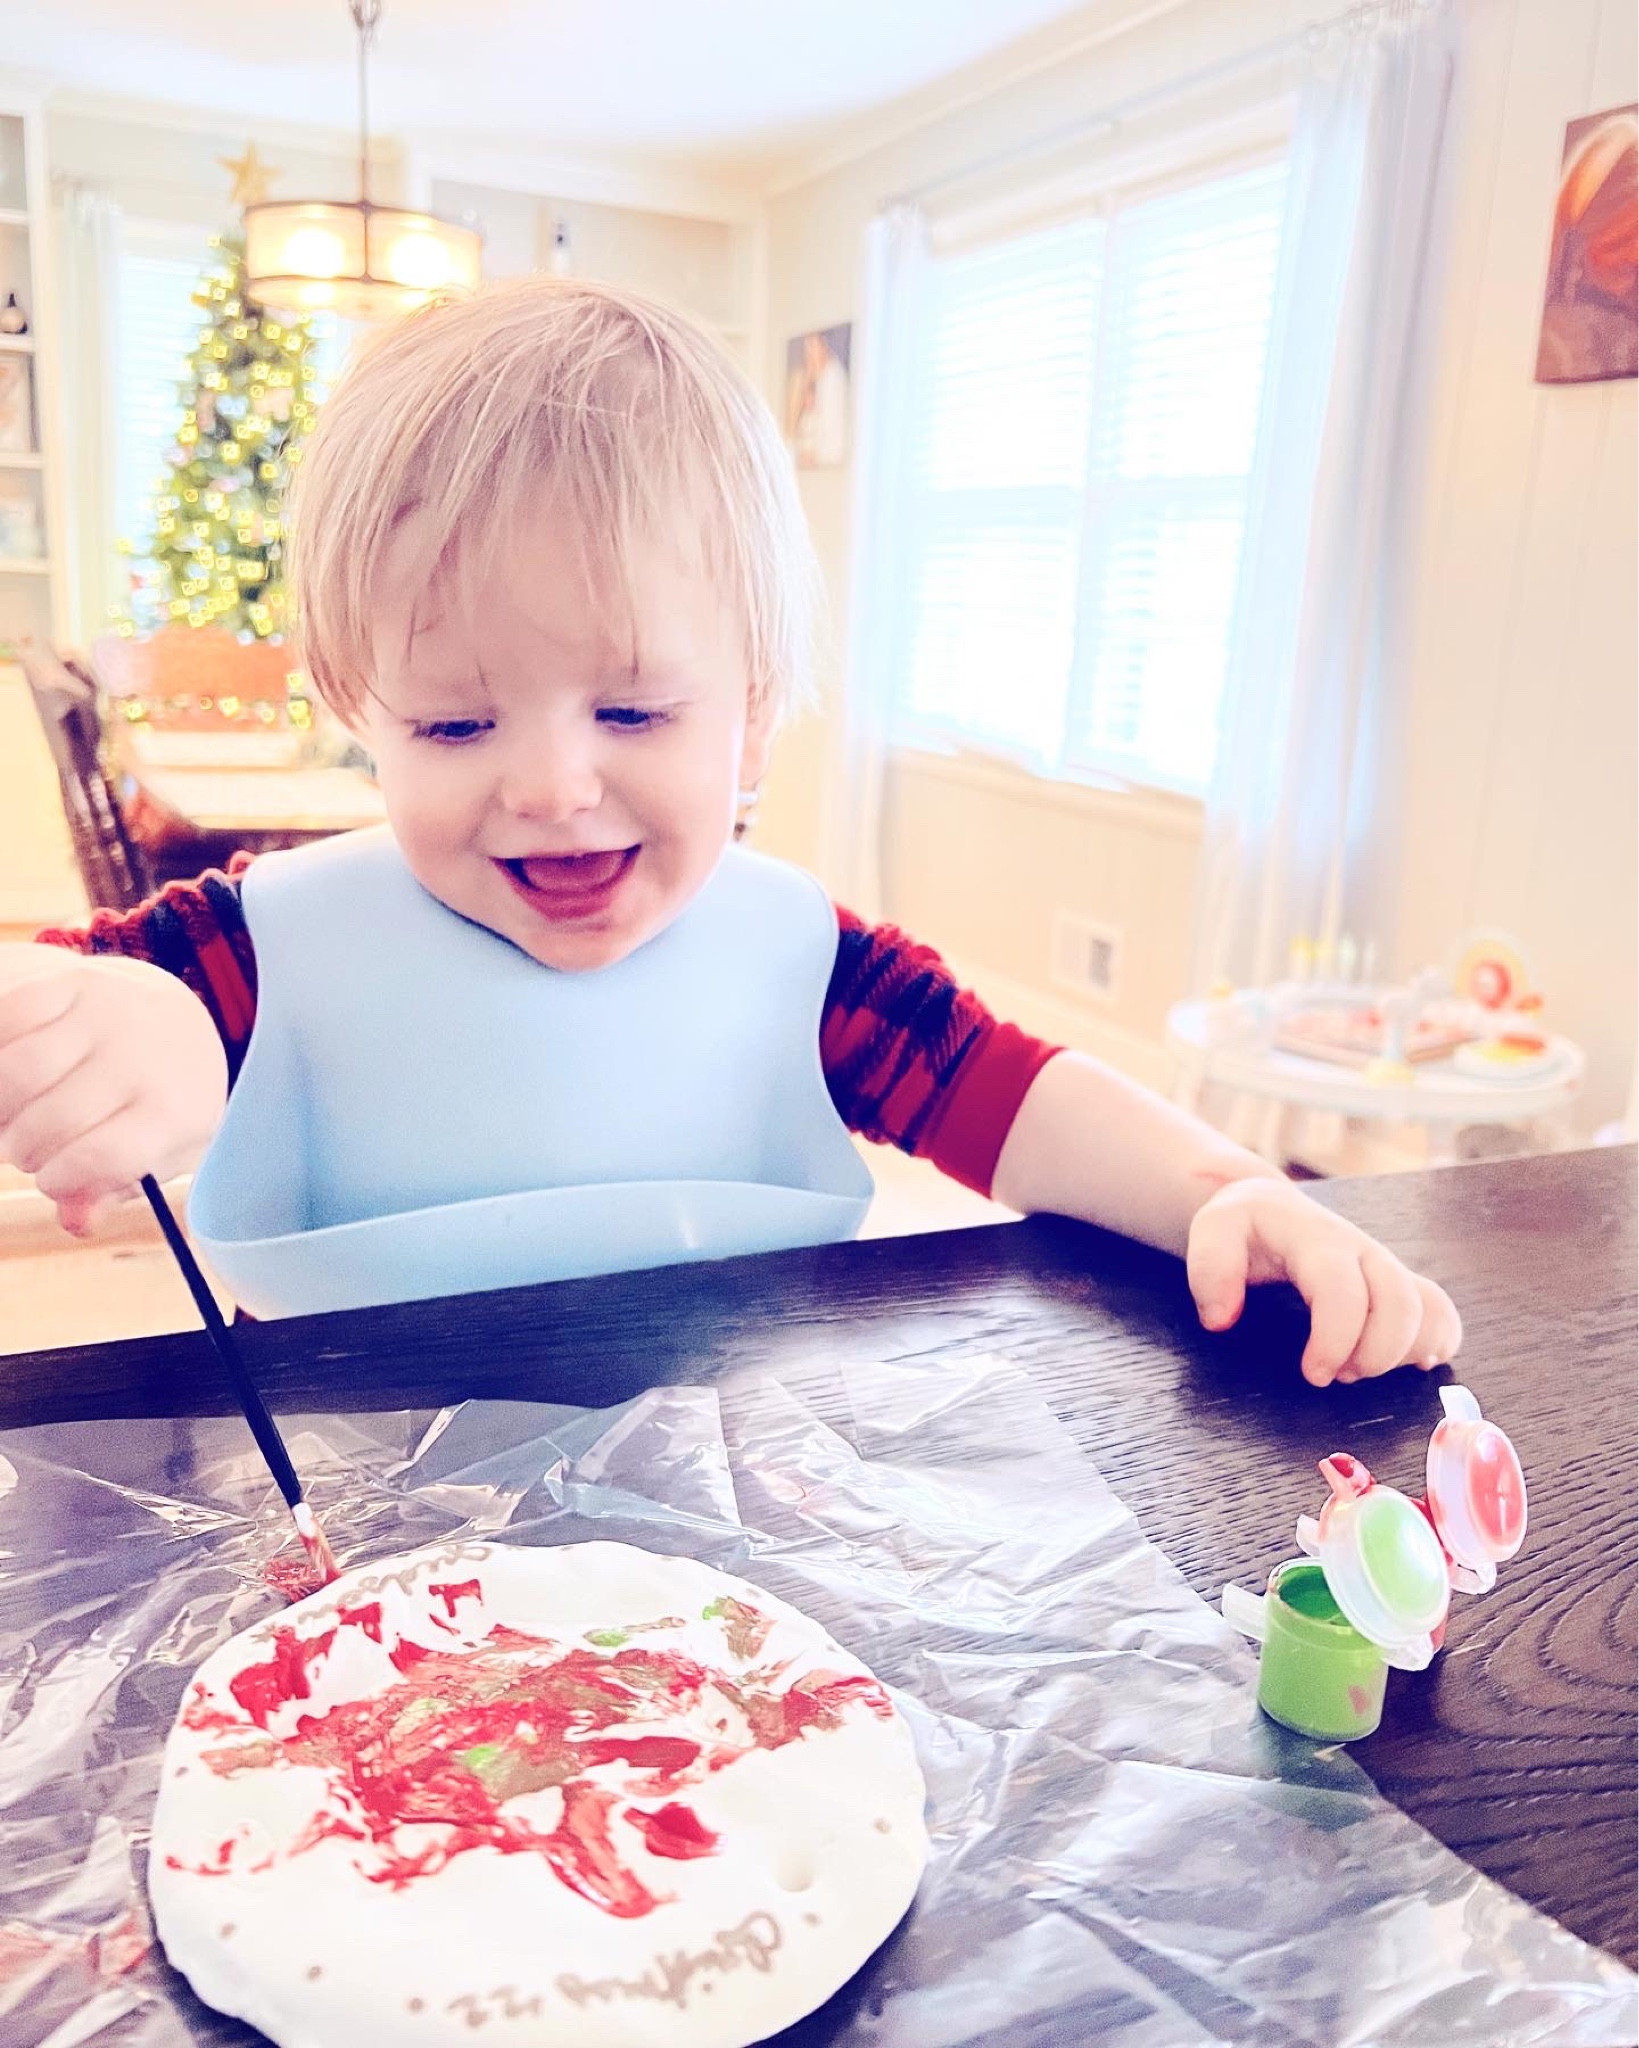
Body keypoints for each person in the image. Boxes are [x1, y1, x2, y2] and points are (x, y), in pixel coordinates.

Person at [0, 277, 1458, 1383]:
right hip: (361, 1569)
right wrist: (102, 1023)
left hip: (712, 1570)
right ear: (357, 710)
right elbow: (38, 1011)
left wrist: (1235, 1195)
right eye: (451, 725)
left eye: (635, 710)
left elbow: (1017, 1100)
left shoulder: (806, 967)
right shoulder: (251, 953)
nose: (553, 787)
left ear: (755, 715)